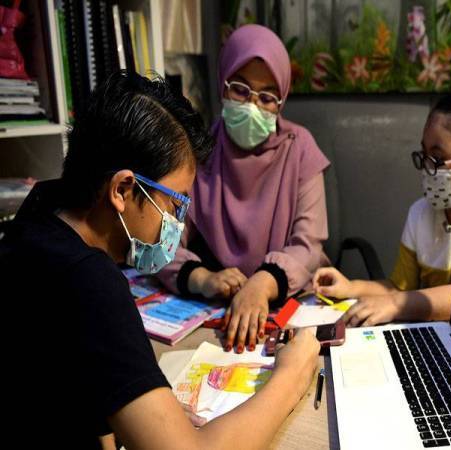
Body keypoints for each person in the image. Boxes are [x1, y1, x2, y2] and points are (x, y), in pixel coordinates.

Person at [0, 71, 319, 449]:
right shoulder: (90, 280)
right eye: (175, 203)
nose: (178, 221)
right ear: (122, 189)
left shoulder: (38, 213)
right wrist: (292, 375)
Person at [157, 24, 330, 353]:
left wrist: (263, 283)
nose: (252, 105)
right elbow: (162, 242)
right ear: (222, 86)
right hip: (217, 311)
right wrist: (202, 278)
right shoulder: (197, 153)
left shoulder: (301, 148)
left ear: (281, 102)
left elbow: (308, 244)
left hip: (288, 305)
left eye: (267, 97)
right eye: (240, 89)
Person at [313, 92, 451, 327]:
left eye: (437, 159)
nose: (427, 169)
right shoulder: (420, 214)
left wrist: (399, 304)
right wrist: (351, 287)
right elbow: (399, 288)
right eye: (424, 155)